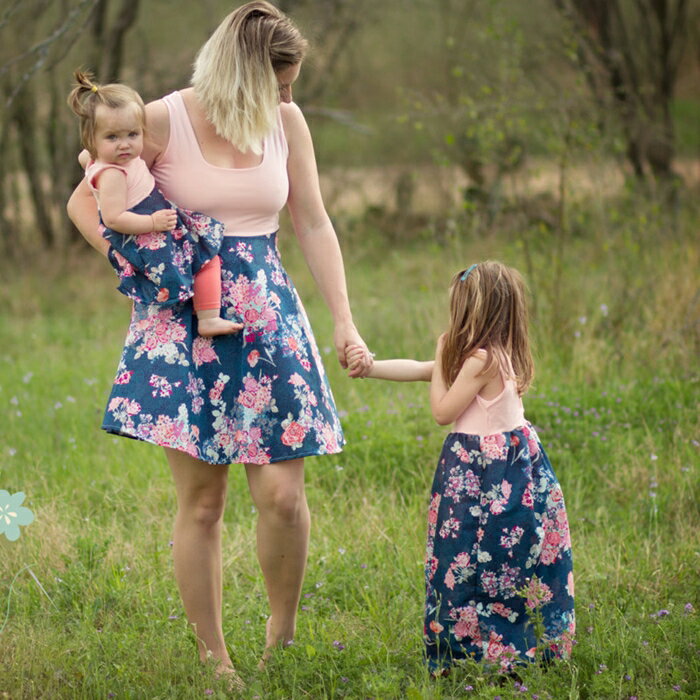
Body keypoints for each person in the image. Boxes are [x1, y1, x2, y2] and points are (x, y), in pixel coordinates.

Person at [67, 0, 370, 685]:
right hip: (183, 326)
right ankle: (215, 660)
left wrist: (344, 320)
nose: (288, 96)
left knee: (283, 497)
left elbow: (314, 224)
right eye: (279, 80)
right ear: (241, 71)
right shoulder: (162, 119)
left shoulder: (285, 122)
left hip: (267, 316)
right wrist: (140, 269)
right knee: (203, 503)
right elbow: (88, 197)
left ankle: (281, 635)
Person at [347, 261, 575, 676]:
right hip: (508, 471)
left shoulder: (480, 361)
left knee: (468, 558)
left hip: (483, 477)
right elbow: (421, 372)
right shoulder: (499, 355)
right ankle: (502, 649)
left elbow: (441, 410)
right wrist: (371, 367)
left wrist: (440, 351)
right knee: (501, 562)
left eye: (459, 309)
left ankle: (477, 653)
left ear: (475, 312)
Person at [67, 70, 240, 337]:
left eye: (132, 135)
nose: (125, 144)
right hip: (145, 228)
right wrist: (152, 222)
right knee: (203, 259)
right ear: (91, 139)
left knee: (196, 259)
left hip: (152, 222)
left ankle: (199, 314)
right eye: (112, 137)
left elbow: (85, 159)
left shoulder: (98, 160)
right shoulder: (113, 174)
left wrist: (96, 152)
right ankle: (208, 318)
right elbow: (113, 218)